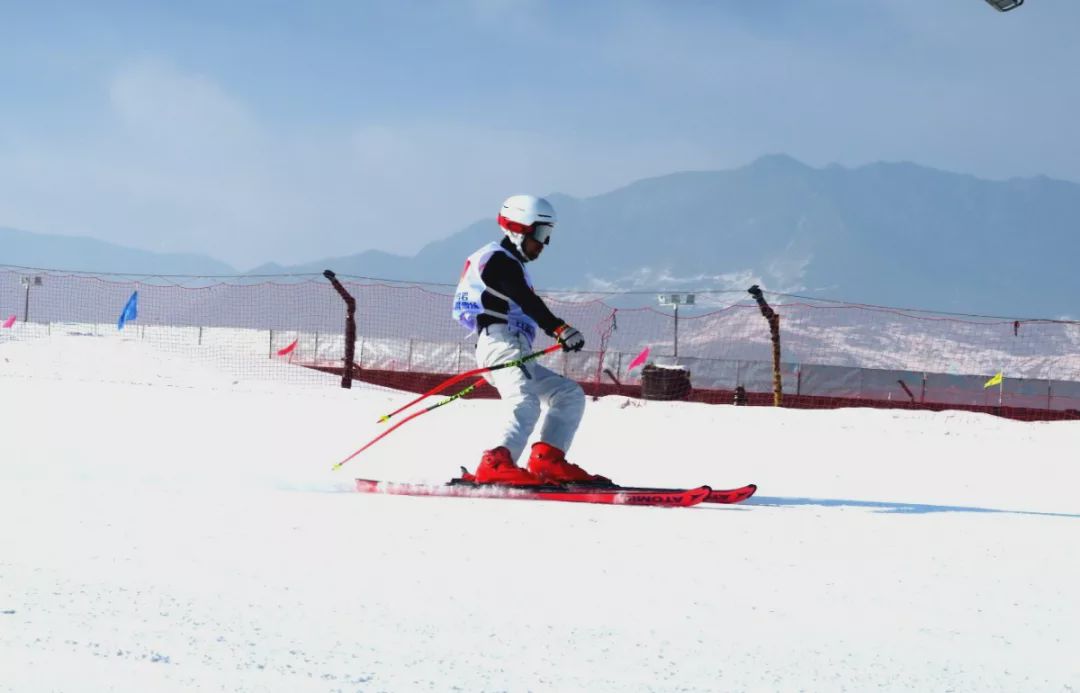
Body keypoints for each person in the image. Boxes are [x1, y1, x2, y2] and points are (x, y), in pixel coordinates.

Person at [451, 194, 612, 486]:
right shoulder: (499, 261)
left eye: (547, 235)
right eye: (540, 234)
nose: (543, 244)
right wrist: (559, 328)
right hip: (501, 343)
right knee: (524, 401)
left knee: (568, 394)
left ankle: (548, 460)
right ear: (518, 228)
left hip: (510, 345)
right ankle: (496, 464)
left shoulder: (506, 261)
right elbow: (526, 300)